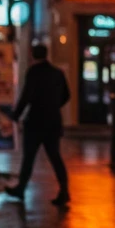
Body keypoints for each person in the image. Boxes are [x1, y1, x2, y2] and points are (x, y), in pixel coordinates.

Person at [5, 43, 71, 206]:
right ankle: (64, 190)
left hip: (35, 121)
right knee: (55, 157)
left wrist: (16, 115)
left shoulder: (34, 72)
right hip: (53, 121)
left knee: (29, 157)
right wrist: (54, 105)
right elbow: (66, 95)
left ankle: (21, 188)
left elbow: (27, 95)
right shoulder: (57, 73)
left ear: (33, 55)